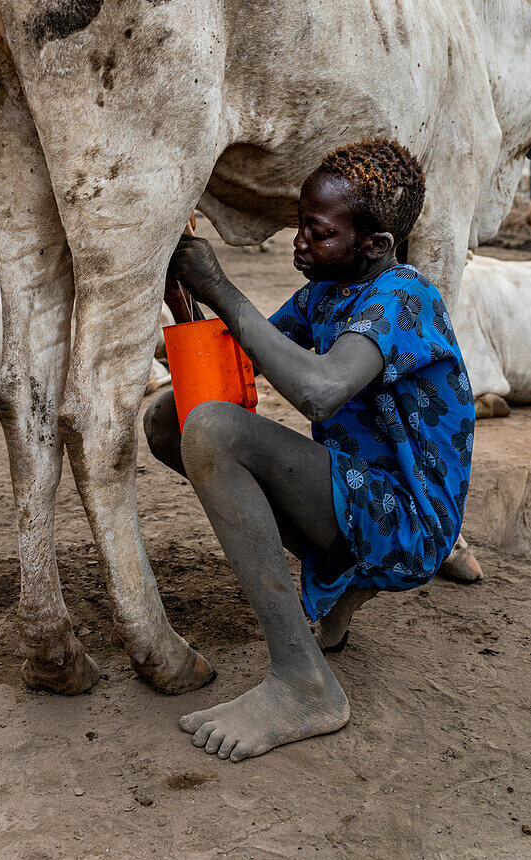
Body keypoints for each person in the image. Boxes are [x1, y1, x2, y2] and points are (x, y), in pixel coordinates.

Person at [144, 140, 475, 762]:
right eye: (300, 225)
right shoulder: (326, 289)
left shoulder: (405, 297)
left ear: (373, 246)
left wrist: (221, 286)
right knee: (171, 417)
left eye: (317, 232)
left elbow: (319, 391)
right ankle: (342, 592)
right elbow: (245, 354)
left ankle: (303, 683)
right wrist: (184, 295)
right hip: (356, 499)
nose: (300, 242)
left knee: (215, 430)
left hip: (408, 522)